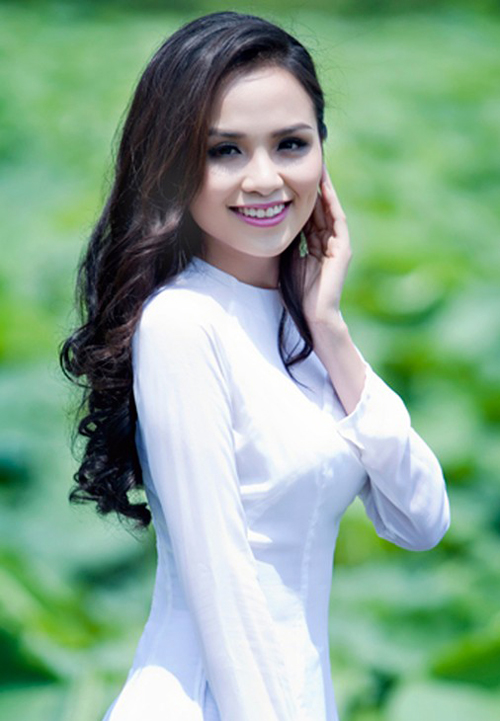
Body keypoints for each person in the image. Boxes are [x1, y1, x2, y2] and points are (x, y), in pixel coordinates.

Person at [60, 10, 451, 721]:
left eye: (291, 144)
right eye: (225, 151)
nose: (265, 179)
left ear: (322, 152)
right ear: (174, 167)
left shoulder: (302, 326)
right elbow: (224, 592)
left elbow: (420, 518)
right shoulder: (183, 325)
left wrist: (329, 327)